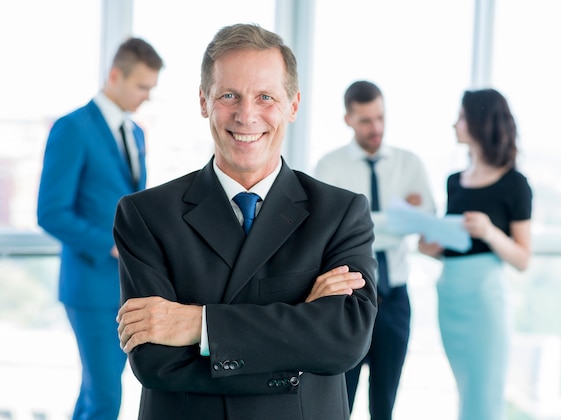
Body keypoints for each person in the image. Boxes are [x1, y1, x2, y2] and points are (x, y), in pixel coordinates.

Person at [114, 23, 378, 420]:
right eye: (229, 95)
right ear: (204, 101)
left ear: (293, 104)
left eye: (266, 97)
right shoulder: (146, 215)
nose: (246, 115)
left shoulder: (340, 213)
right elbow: (155, 362)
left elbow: (344, 339)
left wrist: (199, 324)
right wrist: (301, 335)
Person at [37, 37, 163, 419]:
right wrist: (108, 245)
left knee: (95, 394)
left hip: (126, 289)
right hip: (90, 287)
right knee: (106, 398)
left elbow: (131, 205)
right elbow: (51, 212)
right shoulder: (73, 128)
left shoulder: (136, 133)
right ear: (115, 75)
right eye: (142, 87)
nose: (147, 97)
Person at [314, 80, 436, 420]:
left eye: (380, 117)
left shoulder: (409, 164)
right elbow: (327, 233)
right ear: (348, 120)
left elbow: (426, 221)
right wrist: (398, 217)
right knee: (339, 402)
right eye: (366, 120)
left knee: (385, 406)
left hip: (395, 300)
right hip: (346, 303)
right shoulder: (329, 168)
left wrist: (362, 222)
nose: (376, 128)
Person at [419, 88, 532, 420]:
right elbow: (452, 248)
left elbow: (523, 259)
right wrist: (432, 248)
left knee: (484, 397)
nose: (455, 124)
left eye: (462, 117)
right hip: (451, 296)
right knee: (465, 390)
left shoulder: (515, 184)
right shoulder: (454, 181)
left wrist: (490, 232)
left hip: (483, 303)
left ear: (480, 122)